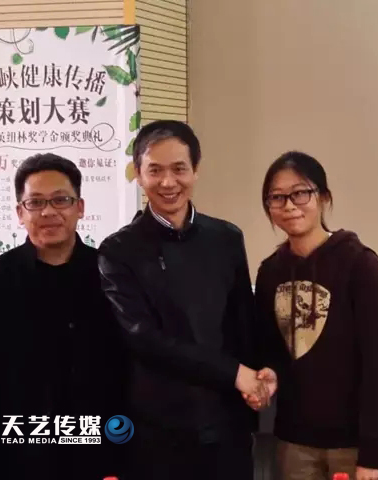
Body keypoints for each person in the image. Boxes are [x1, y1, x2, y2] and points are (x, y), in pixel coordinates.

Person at [97, 120, 265, 479]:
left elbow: (242, 324)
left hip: (226, 428)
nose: (168, 182)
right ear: (138, 175)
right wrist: (233, 373)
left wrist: (257, 383)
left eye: (179, 169)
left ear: (196, 170)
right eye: (155, 170)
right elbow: (143, 338)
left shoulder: (226, 238)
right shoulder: (118, 250)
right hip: (158, 433)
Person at [248, 151, 378, 480]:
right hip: (294, 441)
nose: (289, 205)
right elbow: (272, 348)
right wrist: (269, 375)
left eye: (300, 193)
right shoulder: (270, 272)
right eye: (277, 197)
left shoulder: (359, 264)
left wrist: (372, 453)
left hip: (355, 445)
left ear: (324, 198)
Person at [0, 153, 125, 480]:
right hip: (17, 456)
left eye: (61, 200)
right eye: (35, 202)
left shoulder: (114, 278)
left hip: (98, 452)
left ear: (80, 207)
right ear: (20, 212)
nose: (48, 212)